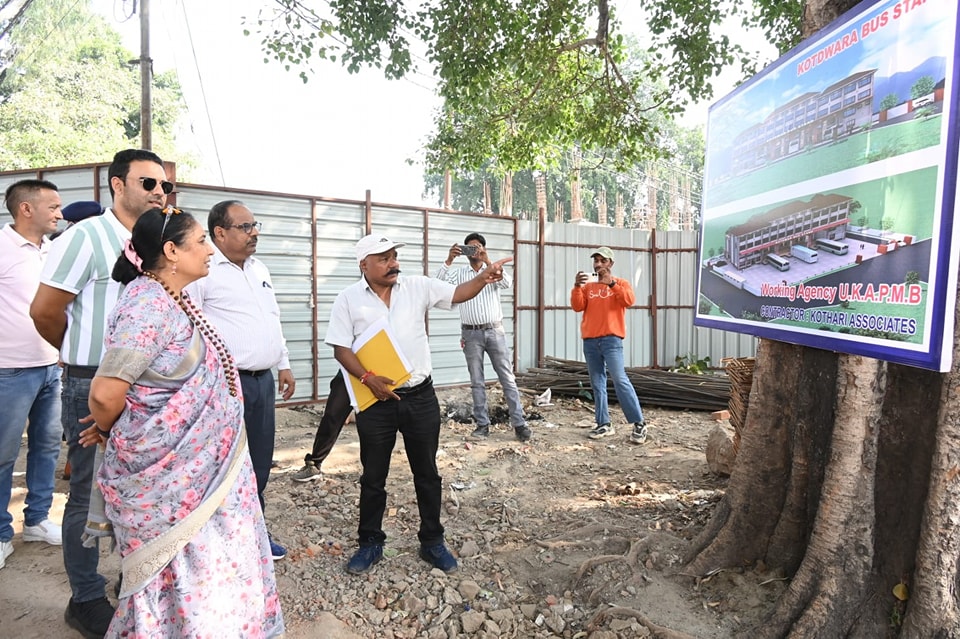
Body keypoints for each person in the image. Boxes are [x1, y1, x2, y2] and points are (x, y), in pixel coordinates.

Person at [79, 207, 284, 637]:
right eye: (200, 242)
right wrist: (113, 424)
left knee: (206, 564)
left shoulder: (174, 297)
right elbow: (104, 393)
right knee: (184, 564)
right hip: (172, 476)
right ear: (171, 251)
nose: (209, 249)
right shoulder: (147, 304)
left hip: (207, 470)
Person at [31, 148, 171, 637]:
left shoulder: (159, 242)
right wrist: (81, 356)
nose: (159, 193)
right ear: (117, 184)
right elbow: (47, 311)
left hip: (148, 386)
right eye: (149, 183)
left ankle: (131, 579)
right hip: (94, 380)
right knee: (89, 492)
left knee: (138, 488)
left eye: (164, 186)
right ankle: (85, 597)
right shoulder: (86, 237)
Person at [326, 233, 512, 575]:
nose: (394, 263)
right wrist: (368, 379)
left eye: (394, 256)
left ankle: (432, 541)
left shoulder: (416, 286)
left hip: (420, 397)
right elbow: (341, 348)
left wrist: (484, 276)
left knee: (427, 473)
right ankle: (370, 542)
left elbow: (458, 293)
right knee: (373, 476)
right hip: (376, 401)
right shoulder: (348, 299)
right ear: (363, 265)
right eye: (384, 258)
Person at [184, 200, 295, 561]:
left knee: (259, 460)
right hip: (225, 384)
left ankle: (255, 531)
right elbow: (191, 325)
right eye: (245, 227)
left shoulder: (259, 267)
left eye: (254, 225)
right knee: (224, 463)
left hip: (262, 382)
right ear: (219, 232)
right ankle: (220, 539)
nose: (254, 233)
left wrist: (283, 363)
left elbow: (273, 318)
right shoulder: (204, 269)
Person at [1, 180, 64, 572]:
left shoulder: (54, 250)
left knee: (46, 448)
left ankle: (38, 519)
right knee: (3, 454)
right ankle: (0, 533)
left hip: (52, 367)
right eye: (53, 207)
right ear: (26, 209)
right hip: (8, 368)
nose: (60, 213)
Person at [436, 233, 530, 441]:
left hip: (494, 330)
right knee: (477, 381)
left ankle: (519, 424)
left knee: (507, 378)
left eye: (477, 247)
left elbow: (507, 283)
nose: (474, 251)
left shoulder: (492, 270)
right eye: (469, 248)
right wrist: (448, 261)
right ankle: (482, 426)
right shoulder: (459, 274)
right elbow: (436, 286)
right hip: (470, 333)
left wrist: (489, 261)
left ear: (484, 249)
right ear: (464, 252)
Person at [571, 246, 648, 444]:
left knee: (620, 379)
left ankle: (639, 423)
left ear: (610, 264)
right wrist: (576, 286)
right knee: (597, 383)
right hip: (590, 341)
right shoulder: (588, 286)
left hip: (611, 340)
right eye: (595, 260)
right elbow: (577, 306)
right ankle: (603, 424)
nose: (598, 264)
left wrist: (612, 283)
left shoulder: (621, 284)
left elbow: (629, 300)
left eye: (602, 261)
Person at [291, 371, 352, 482]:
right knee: (332, 416)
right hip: (349, 373)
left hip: (381, 374)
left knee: (374, 427)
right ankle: (314, 464)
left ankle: (374, 474)